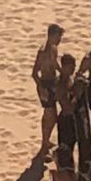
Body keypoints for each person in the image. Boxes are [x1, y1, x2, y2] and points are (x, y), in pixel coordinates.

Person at [33, 24, 66, 156]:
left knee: (52, 116)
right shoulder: (43, 52)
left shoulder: (54, 48)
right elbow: (35, 73)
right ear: (52, 35)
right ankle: (44, 145)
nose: (60, 40)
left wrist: (62, 73)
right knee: (50, 115)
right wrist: (42, 89)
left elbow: (55, 64)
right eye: (58, 37)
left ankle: (46, 141)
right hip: (45, 84)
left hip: (53, 82)